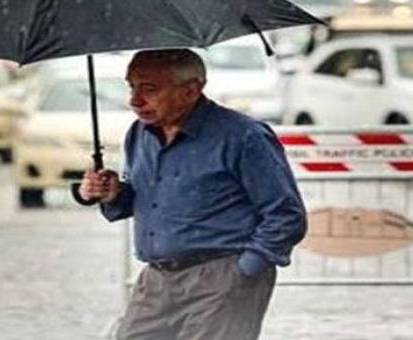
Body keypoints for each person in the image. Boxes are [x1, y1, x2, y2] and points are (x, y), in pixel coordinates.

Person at [79, 49, 307, 340]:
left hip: (222, 276)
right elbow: (151, 199)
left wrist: (245, 270)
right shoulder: (140, 133)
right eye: (131, 86)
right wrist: (113, 194)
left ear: (191, 90)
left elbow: (286, 215)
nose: (134, 100)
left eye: (149, 89)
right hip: (157, 280)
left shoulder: (243, 136)